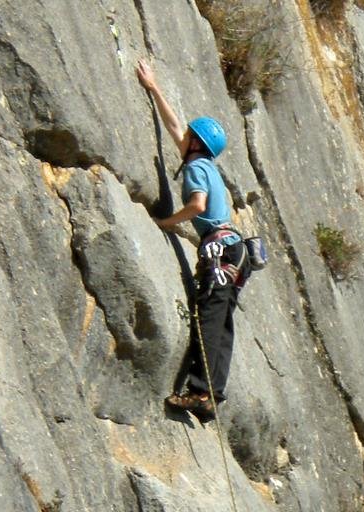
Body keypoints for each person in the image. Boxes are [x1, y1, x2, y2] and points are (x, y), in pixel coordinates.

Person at [137, 60, 250, 420]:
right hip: (236, 251)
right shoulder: (205, 163)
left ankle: (201, 392)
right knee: (223, 321)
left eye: (188, 135)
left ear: (196, 143)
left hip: (219, 247)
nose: (180, 136)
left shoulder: (196, 167)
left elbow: (197, 204)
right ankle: (213, 393)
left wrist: (167, 223)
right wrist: (153, 88)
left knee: (211, 315)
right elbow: (174, 128)